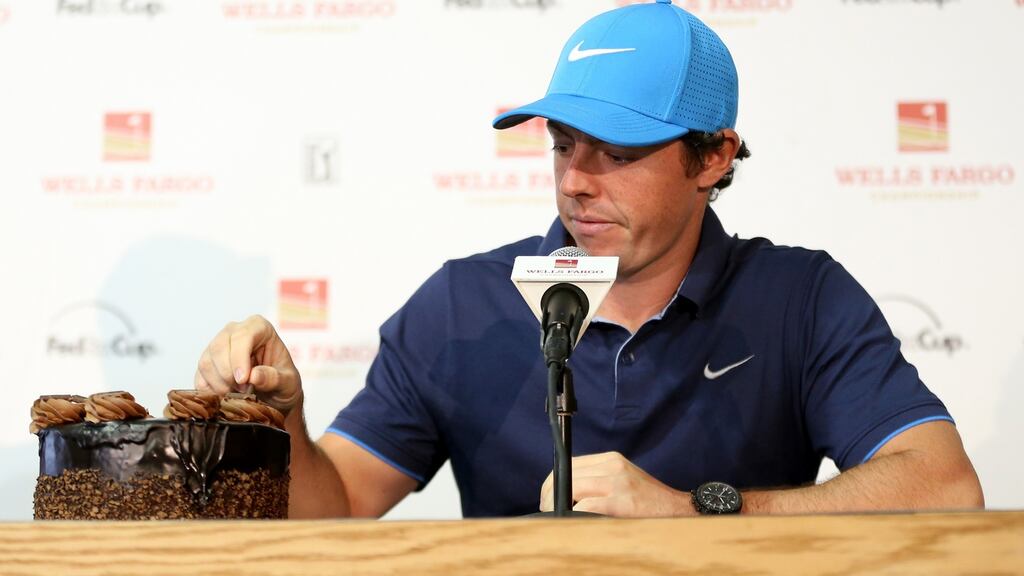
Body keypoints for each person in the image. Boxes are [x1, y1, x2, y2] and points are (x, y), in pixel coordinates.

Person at [195, 0, 983, 518]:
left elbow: (945, 486)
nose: (575, 180)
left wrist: (695, 511)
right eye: (564, 144)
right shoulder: (462, 304)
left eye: (618, 152)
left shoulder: (800, 297)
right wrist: (282, 420)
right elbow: (335, 510)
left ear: (713, 157)